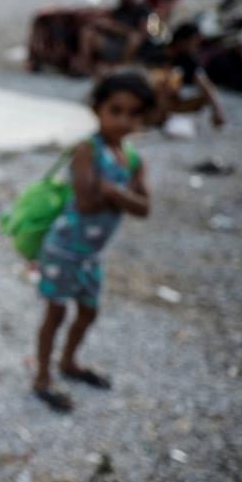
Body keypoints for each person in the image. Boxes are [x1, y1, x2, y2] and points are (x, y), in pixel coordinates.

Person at [33, 72, 155, 412]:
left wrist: (112, 192)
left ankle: (68, 362)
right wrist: (123, 196)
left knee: (88, 311)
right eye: (115, 110)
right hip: (64, 249)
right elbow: (86, 201)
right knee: (55, 313)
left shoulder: (131, 158)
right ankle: (42, 376)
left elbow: (145, 208)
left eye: (133, 113)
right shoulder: (87, 149)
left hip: (91, 255)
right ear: (97, 109)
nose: (123, 120)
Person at [146, 22, 227, 129]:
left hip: (172, 101)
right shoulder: (157, 52)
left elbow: (205, 84)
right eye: (194, 41)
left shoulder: (187, 59)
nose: (196, 45)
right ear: (183, 41)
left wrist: (217, 111)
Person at [71, 0, 149, 75]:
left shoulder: (141, 10)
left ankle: (121, 67)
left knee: (135, 38)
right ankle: (86, 65)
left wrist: (117, 28)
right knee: (87, 32)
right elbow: (107, 23)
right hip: (112, 42)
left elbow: (141, 33)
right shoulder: (117, 10)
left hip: (128, 44)